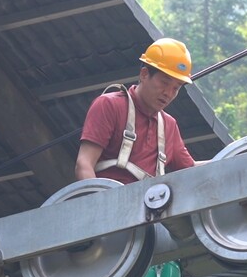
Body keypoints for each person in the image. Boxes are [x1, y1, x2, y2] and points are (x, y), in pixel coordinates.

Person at [76, 37, 197, 184]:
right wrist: (98, 204)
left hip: (147, 204)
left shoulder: (169, 126)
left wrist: (230, 158)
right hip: (107, 199)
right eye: (164, 82)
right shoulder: (110, 105)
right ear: (144, 74)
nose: (169, 93)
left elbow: (192, 170)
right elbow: (84, 164)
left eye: (176, 88)